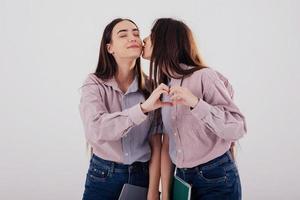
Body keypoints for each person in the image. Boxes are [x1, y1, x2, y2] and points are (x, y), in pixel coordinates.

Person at [142, 18, 247, 200]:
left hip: (216, 177)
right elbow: (168, 140)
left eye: (151, 36)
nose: (144, 40)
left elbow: (237, 127)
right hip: (182, 178)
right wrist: (165, 193)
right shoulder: (164, 85)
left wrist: (196, 104)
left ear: (166, 42)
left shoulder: (204, 76)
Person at [79, 18, 171, 200]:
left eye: (136, 33)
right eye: (123, 34)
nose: (133, 38)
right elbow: (96, 130)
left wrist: (153, 191)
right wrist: (142, 109)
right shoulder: (94, 84)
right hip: (103, 175)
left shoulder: (152, 88)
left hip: (141, 176)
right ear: (109, 48)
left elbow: (156, 144)